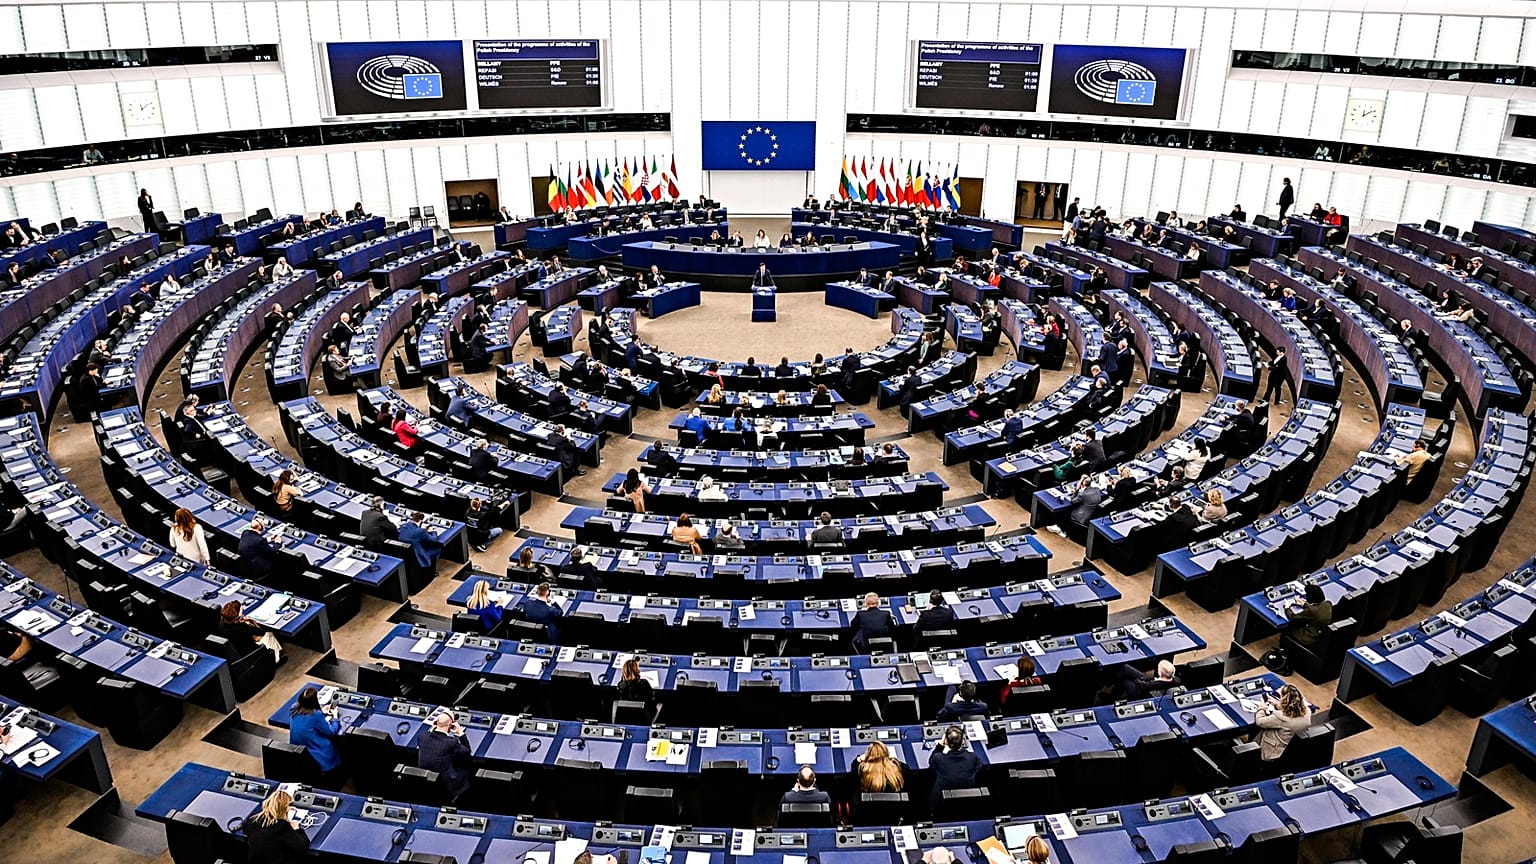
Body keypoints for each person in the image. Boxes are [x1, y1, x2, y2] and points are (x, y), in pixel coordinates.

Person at [287, 686, 344, 780]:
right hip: (316, 752)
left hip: (298, 749)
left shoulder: (294, 708)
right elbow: (331, 731)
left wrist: (322, 711)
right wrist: (335, 716)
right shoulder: (315, 715)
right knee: (335, 741)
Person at [242, 789, 311, 864]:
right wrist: (297, 829)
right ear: (284, 808)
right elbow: (302, 847)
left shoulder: (253, 820)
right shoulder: (281, 826)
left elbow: (246, 831)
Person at [416, 711, 473, 800]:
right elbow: (467, 751)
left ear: (435, 723)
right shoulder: (451, 742)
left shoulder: (422, 737)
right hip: (444, 783)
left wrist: (434, 727)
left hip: (425, 779)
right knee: (466, 767)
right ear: (450, 726)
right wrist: (460, 733)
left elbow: (429, 734)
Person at [1253, 683, 1312, 761]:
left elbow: (1260, 722)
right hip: (1290, 750)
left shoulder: (1280, 717)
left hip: (1273, 752)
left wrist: (1262, 707)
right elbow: (1291, 710)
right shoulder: (1308, 712)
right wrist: (1277, 705)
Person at [928, 725, 981, 811]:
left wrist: (940, 746)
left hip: (941, 803)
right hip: (967, 801)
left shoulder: (938, 758)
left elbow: (931, 762)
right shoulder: (972, 757)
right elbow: (979, 767)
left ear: (946, 741)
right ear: (963, 741)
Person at [1285, 583, 1333, 649]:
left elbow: (1293, 617)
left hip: (1309, 637)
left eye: (1307, 595)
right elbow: (1317, 608)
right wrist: (1304, 604)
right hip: (1320, 633)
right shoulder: (1328, 603)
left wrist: (1287, 608)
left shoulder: (1311, 611)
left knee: (1288, 627)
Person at [1110, 659, 1181, 700]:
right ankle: (1111, 681)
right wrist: (1143, 678)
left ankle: (1112, 698)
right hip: (1146, 683)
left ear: (1161, 673)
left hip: (1140, 692)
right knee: (1125, 668)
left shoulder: (1157, 684)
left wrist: (1138, 679)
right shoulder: (1175, 680)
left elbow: (1141, 685)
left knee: (1124, 680)